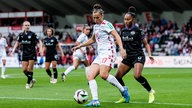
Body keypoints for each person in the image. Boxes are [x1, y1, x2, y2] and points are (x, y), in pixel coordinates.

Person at [72, 4, 130, 107]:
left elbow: (117, 36)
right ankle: (95, 100)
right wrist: (79, 46)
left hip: (109, 52)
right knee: (90, 76)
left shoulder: (107, 24)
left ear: (102, 15)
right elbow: (92, 40)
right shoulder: (95, 26)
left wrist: (121, 49)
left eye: (97, 17)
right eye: (94, 18)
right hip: (100, 54)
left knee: (103, 75)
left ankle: (123, 90)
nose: (96, 19)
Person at [115, 6, 155, 104]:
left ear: (133, 19)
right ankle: (124, 95)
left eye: (128, 19)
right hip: (128, 57)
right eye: (124, 19)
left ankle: (151, 91)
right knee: (117, 77)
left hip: (138, 55)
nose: (126, 21)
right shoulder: (123, 31)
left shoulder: (138, 30)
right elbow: (119, 42)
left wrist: (149, 54)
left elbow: (145, 43)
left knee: (137, 76)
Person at [10, 21, 43, 89]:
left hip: (32, 53)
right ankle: (31, 79)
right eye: (26, 25)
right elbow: (17, 43)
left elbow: (40, 41)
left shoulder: (33, 34)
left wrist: (40, 49)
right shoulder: (21, 35)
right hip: (25, 54)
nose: (27, 26)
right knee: (24, 70)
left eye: (28, 25)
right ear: (23, 26)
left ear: (30, 26)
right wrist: (13, 50)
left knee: (30, 69)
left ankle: (28, 83)